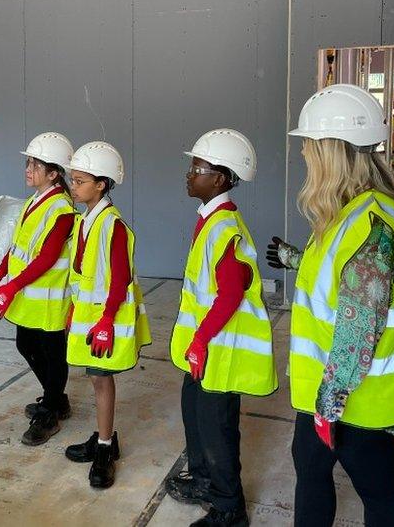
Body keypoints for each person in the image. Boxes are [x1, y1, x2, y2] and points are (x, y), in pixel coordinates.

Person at [274, 84, 394, 526]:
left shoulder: (369, 224)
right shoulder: (351, 212)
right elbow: (342, 283)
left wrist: (329, 405)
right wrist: (295, 258)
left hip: (355, 401)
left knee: (376, 495)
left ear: (330, 150)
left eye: (309, 144)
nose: (305, 153)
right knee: (317, 478)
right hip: (333, 393)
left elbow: (359, 327)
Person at [165, 129, 276, 527]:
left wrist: (199, 340)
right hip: (204, 351)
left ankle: (230, 508)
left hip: (219, 352)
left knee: (217, 432)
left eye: (198, 167)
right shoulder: (210, 220)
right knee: (194, 417)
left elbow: (230, 293)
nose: (189, 174)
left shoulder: (225, 229)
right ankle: (203, 481)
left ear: (222, 179)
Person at [61, 141, 151, 489]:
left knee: (101, 380)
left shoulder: (111, 225)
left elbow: (119, 280)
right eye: (72, 179)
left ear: (101, 184)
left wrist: (105, 322)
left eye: (80, 180)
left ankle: (105, 447)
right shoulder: (86, 220)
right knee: (95, 379)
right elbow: (83, 277)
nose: (73, 186)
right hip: (88, 318)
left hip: (103, 322)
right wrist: (73, 310)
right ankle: (104, 436)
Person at [0, 132, 76, 446]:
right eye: (28, 162)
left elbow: (48, 256)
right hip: (28, 294)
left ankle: (50, 410)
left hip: (48, 297)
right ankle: (56, 398)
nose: (28, 169)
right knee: (27, 346)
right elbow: (19, 247)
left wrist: (11, 288)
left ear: (54, 173)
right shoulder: (35, 202)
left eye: (36, 165)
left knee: (52, 354)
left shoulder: (61, 209)